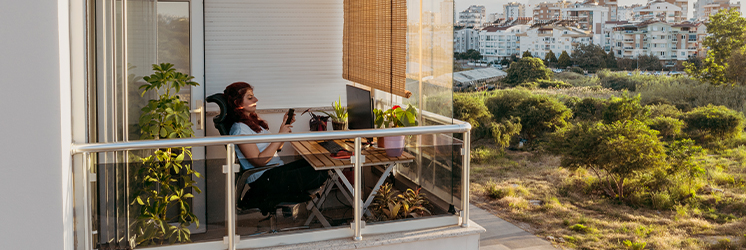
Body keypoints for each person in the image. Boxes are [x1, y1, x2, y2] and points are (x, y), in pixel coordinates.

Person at [223, 82, 328, 214]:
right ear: (238, 103)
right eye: (250, 98)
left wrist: (283, 128)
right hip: (265, 180)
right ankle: (287, 203)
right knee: (319, 173)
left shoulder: (253, 123)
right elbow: (259, 161)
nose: (256, 100)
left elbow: (275, 149)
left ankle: (290, 202)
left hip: (274, 171)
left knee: (318, 164)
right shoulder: (239, 129)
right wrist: (280, 135)